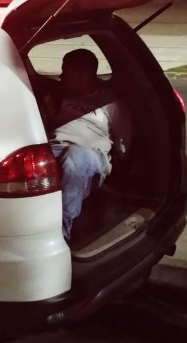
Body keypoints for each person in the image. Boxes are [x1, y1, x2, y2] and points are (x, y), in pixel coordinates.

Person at [47, 49, 129, 241]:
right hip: (55, 147)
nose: (61, 76)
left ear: (83, 74)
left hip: (91, 155)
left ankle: (61, 235)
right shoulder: (61, 96)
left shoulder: (111, 104)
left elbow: (123, 146)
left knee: (75, 158)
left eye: (66, 71)